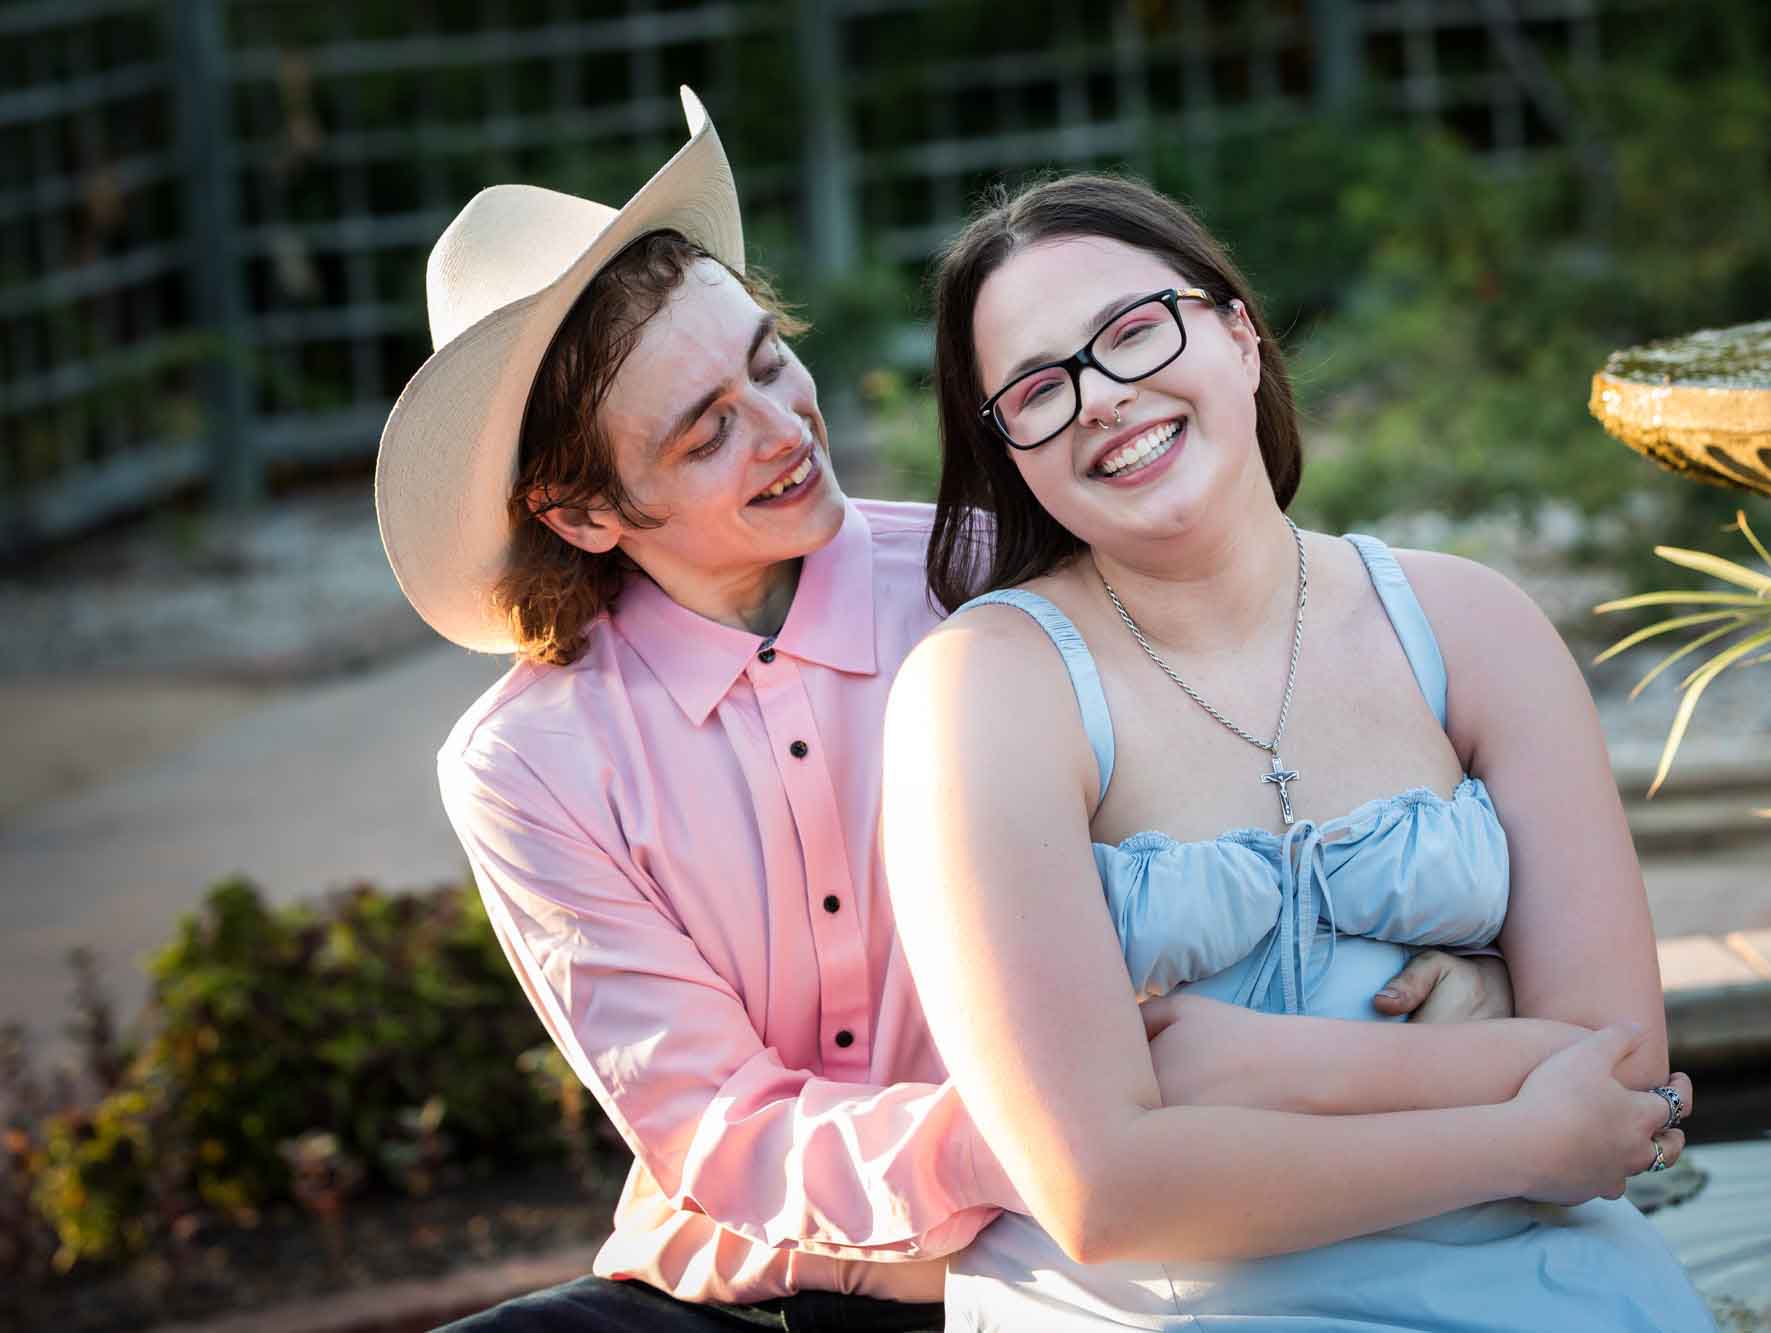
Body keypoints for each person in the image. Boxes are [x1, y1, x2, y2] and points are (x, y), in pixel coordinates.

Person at [374, 92, 1512, 1331]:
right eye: (707, 436)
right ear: (581, 513)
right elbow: (715, 1126)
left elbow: (1264, 749)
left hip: (1078, 1271)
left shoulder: (995, 580)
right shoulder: (527, 765)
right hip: (746, 1287)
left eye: (767, 360)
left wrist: (1451, 978)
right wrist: (1050, 1137)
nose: (782, 431)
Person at [880, 173, 1716, 1330]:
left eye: (1132, 332)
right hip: (1176, 1302)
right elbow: (1104, 1190)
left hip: (1529, 1271)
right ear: (1007, 449)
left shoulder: (1470, 626)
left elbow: (1621, 1075)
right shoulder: (988, 690)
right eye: (1035, 388)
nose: (1100, 399)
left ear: (1237, 334)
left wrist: (1248, 1069)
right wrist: (1520, 1120)